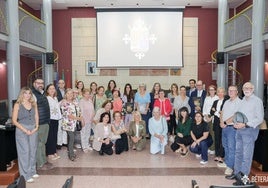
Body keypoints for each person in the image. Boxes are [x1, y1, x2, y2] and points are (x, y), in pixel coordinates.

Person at [227, 82, 264, 185]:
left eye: (249, 88)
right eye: (245, 88)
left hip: (249, 130)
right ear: (242, 90)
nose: (247, 89)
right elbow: (238, 115)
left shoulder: (257, 101)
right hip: (239, 130)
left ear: (253, 89)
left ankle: (244, 179)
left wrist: (245, 124)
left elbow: (260, 118)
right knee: (238, 153)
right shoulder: (243, 100)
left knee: (246, 156)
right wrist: (235, 123)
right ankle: (237, 173)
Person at [12, 87, 39, 183]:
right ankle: (25, 175)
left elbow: (36, 116)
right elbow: (14, 121)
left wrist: (36, 127)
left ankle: (32, 171)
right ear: (22, 94)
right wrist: (25, 130)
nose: (27, 95)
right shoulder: (17, 105)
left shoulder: (33, 103)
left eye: (29, 93)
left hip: (33, 128)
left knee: (33, 150)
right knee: (25, 152)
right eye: (25, 93)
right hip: (21, 129)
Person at [219, 85, 241, 176]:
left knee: (232, 148)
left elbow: (236, 115)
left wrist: (225, 122)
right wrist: (221, 122)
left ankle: (230, 167)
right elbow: (222, 112)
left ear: (237, 92)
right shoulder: (227, 101)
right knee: (225, 146)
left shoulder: (239, 102)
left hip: (232, 128)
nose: (231, 92)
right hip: (224, 127)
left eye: (233, 90)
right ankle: (227, 162)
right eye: (229, 90)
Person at [31, 78, 52, 170]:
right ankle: (40, 163)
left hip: (45, 122)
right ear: (34, 84)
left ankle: (44, 160)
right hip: (39, 123)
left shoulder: (42, 93)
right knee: (39, 143)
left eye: (42, 83)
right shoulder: (32, 94)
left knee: (43, 142)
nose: (40, 85)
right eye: (38, 83)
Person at [60, 88, 83, 161]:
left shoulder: (75, 102)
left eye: (71, 93)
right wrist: (78, 118)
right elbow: (68, 115)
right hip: (68, 124)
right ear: (65, 94)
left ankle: (70, 151)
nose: (70, 95)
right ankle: (71, 155)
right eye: (68, 93)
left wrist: (80, 118)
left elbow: (79, 111)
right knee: (72, 138)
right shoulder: (64, 103)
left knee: (71, 139)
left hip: (75, 124)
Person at [210, 87, 227, 163]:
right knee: (216, 139)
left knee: (222, 140)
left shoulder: (226, 101)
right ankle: (217, 155)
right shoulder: (215, 101)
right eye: (219, 92)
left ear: (224, 93)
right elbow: (211, 112)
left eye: (222, 92)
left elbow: (224, 113)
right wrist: (218, 112)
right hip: (216, 123)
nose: (220, 93)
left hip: (223, 122)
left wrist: (216, 111)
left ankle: (222, 156)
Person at [45, 84, 62, 160]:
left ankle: (53, 151)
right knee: (50, 136)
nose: (52, 90)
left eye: (53, 88)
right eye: (50, 89)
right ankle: (49, 153)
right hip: (50, 119)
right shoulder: (46, 98)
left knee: (55, 135)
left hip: (56, 119)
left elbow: (57, 108)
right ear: (47, 91)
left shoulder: (55, 98)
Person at [202, 85, 218, 155]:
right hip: (206, 117)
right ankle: (208, 147)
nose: (211, 91)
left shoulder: (217, 98)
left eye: (212, 90)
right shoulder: (207, 98)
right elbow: (204, 108)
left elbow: (217, 109)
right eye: (210, 90)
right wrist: (206, 116)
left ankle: (212, 148)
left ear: (215, 91)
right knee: (206, 134)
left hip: (213, 118)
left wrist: (211, 117)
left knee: (212, 134)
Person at [79, 88, 95, 153]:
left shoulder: (90, 101)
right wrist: (82, 120)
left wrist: (92, 118)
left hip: (90, 120)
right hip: (84, 120)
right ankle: (84, 147)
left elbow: (93, 110)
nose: (88, 95)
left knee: (88, 133)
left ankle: (87, 145)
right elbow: (80, 112)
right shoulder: (81, 101)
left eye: (89, 94)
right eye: (86, 94)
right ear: (83, 94)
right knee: (83, 133)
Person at [56, 79, 68, 150]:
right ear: (58, 84)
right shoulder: (56, 92)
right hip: (59, 113)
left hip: (66, 112)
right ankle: (59, 143)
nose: (61, 84)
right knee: (60, 128)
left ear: (64, 84)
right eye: (59, 83)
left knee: (65, 128)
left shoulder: (67, 91)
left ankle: (65, 142)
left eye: (62, 83)